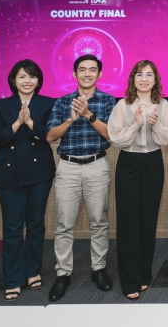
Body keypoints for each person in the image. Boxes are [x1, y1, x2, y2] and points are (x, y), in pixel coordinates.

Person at [45, 54, 116, 302]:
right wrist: (70, 119)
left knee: (99, 221)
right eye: (82, 70)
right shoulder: (63, 102)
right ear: (74, 74)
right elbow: (50, 136)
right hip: (68, 168)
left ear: (99, 74)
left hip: (97, 165)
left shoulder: (108, 100)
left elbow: (112, 134)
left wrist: (87, 115)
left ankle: (99, 269)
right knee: (64, 224)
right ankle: (63, 274)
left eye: (92, 70)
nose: (87, 74)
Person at [107, 60, 168, 300]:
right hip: (129, 163)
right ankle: (129, 280)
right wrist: (136, 125)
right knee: (128, 222)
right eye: (139, 74)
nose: (144, 79)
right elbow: (117, 139)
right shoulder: (122, 105)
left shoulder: (163, 105)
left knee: (148, 220)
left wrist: (155, 126)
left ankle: (144, 274)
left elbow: (167, 138)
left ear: (155, 79)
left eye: (149, 75)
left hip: (153, 163)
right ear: (132, 79)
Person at [0, 60, 56, 301]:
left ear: (38, 80)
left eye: (32, 76)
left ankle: (32, 271)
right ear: (13, 80)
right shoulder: (0, 106)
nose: (27, 81)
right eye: (22, 76)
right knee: (12, 226)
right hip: (8, 173)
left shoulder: (49, 103)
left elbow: (50, 135)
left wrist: (30, 123)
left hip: (40, 172)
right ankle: (12, 279)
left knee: (36, 224)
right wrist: (18, 123)